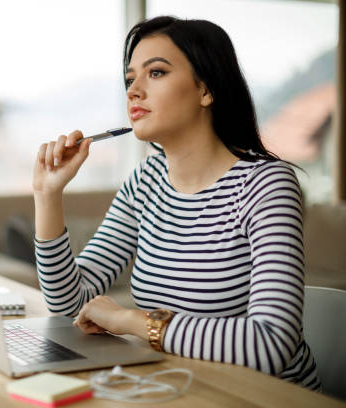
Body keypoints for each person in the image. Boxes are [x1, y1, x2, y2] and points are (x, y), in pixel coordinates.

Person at [32, 16, 320, 390]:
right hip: (180, 385)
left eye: (156, 73)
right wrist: (48, 195)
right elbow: (71, 304)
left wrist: (130, 321)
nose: (134, 91)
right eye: (130, 79)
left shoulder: (266, 185)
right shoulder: (145, 180)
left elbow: (270, 344)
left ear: (206, 89)